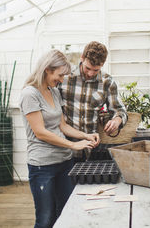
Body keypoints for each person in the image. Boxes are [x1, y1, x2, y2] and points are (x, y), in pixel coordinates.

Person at [19, 50, 99, 228]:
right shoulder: (29, 94)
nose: (62, 79)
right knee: (45, 219)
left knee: (65, 214)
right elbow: (40, 132)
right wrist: (72, 144)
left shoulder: (54, 92)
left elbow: (62, 126)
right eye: (60, 75)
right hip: (42, 166)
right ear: (47, 69)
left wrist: (85, 135)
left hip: (64, 163)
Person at [59, 41, 127, 160]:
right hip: (65, 149)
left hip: (92, 149)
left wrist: (117, 120)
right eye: (88, 68)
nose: (90, 73)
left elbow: (119, 110)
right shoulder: (64, 77)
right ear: (82, 58)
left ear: (103, 64)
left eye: (96, 70)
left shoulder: (107, 82)